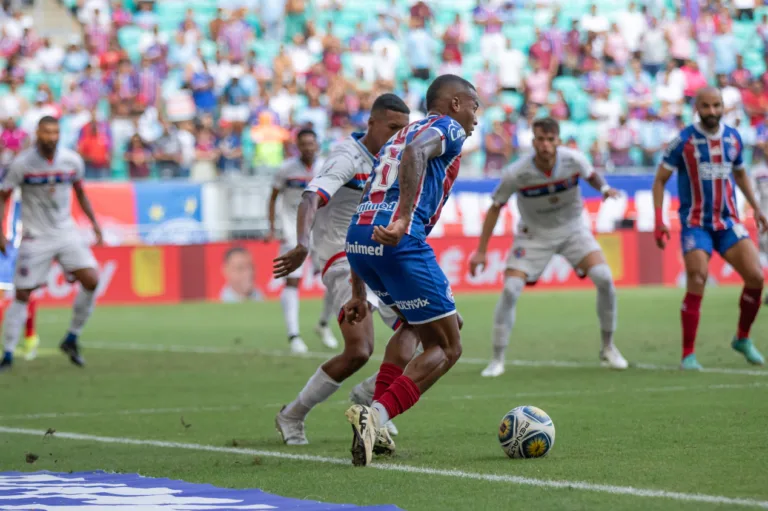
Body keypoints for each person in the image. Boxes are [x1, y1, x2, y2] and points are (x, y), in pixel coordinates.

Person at [342, 74, 478, 466]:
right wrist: (403, 220)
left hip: (361, 238)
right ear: (454, 104)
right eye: (473, 106)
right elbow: (418, 152)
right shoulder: (444, 128)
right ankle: (377, 416)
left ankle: (376, 425)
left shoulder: (399, 135)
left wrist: (357, 291)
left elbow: (369, 196)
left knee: (413, 325)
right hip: (398, 240)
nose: (475, 117)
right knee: (449, 345)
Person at [272, 93, 416, 448]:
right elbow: (310, 197)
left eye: (405, 130)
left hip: (380, 253)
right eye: (394, 128)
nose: (399, 136)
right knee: (359, 350)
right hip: (340, 254)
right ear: (372, 123)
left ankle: (371, 395)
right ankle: (292, 413)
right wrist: (302, 244)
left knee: (426, 327)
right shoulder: (346, 156)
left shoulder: (395, 158)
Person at [469, 117, 629, 378]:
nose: (545, 145)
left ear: (558, 141)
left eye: (550, 140)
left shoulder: (572, 160)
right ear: (533, 141)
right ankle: (497, 359)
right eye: (540, 140)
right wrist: (481, 250)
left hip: (572, 229)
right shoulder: (516, 173)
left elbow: (591, 175)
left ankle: (608, 347)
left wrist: (606, 188)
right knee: (510, 289)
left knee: (604, 278)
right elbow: (496, 206)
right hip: (534, 235)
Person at [653, 87, 767, 370]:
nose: (713, 112)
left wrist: (756, 207)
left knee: (755, 277)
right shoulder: (683, 141)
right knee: (698, 276)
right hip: (695, 224)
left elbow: (740, 173)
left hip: (727, 221)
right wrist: (659, 218)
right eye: (706, 106)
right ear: (696, 108)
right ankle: (688, 354)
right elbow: (659, 180)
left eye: (717, 106)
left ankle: (742, 338)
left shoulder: (733, 138)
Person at [0, 116, 102, 371]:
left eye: (55, 132)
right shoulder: (22, 164)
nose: (51, 137)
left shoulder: (72, 161)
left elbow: (81, 193)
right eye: (46, 132)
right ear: (37, 133)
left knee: (91, 279)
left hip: (66, 233)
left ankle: (71, 337)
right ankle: (9, 353)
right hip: (36, 237)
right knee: (23, 294)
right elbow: (3, 197)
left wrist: (94, 223)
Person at [268, 129, 338, 353]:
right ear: (297, 146)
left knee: (336, 279)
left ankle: (323, 324)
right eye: (304, 144)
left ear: (317, 145)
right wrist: (272, 227)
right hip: (293, 231)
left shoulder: (327, 166)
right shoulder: (286, 169)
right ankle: (294, 336)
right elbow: (273, 197)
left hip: (322, 230)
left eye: (311, 143)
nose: (308, 147)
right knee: (292, 281)